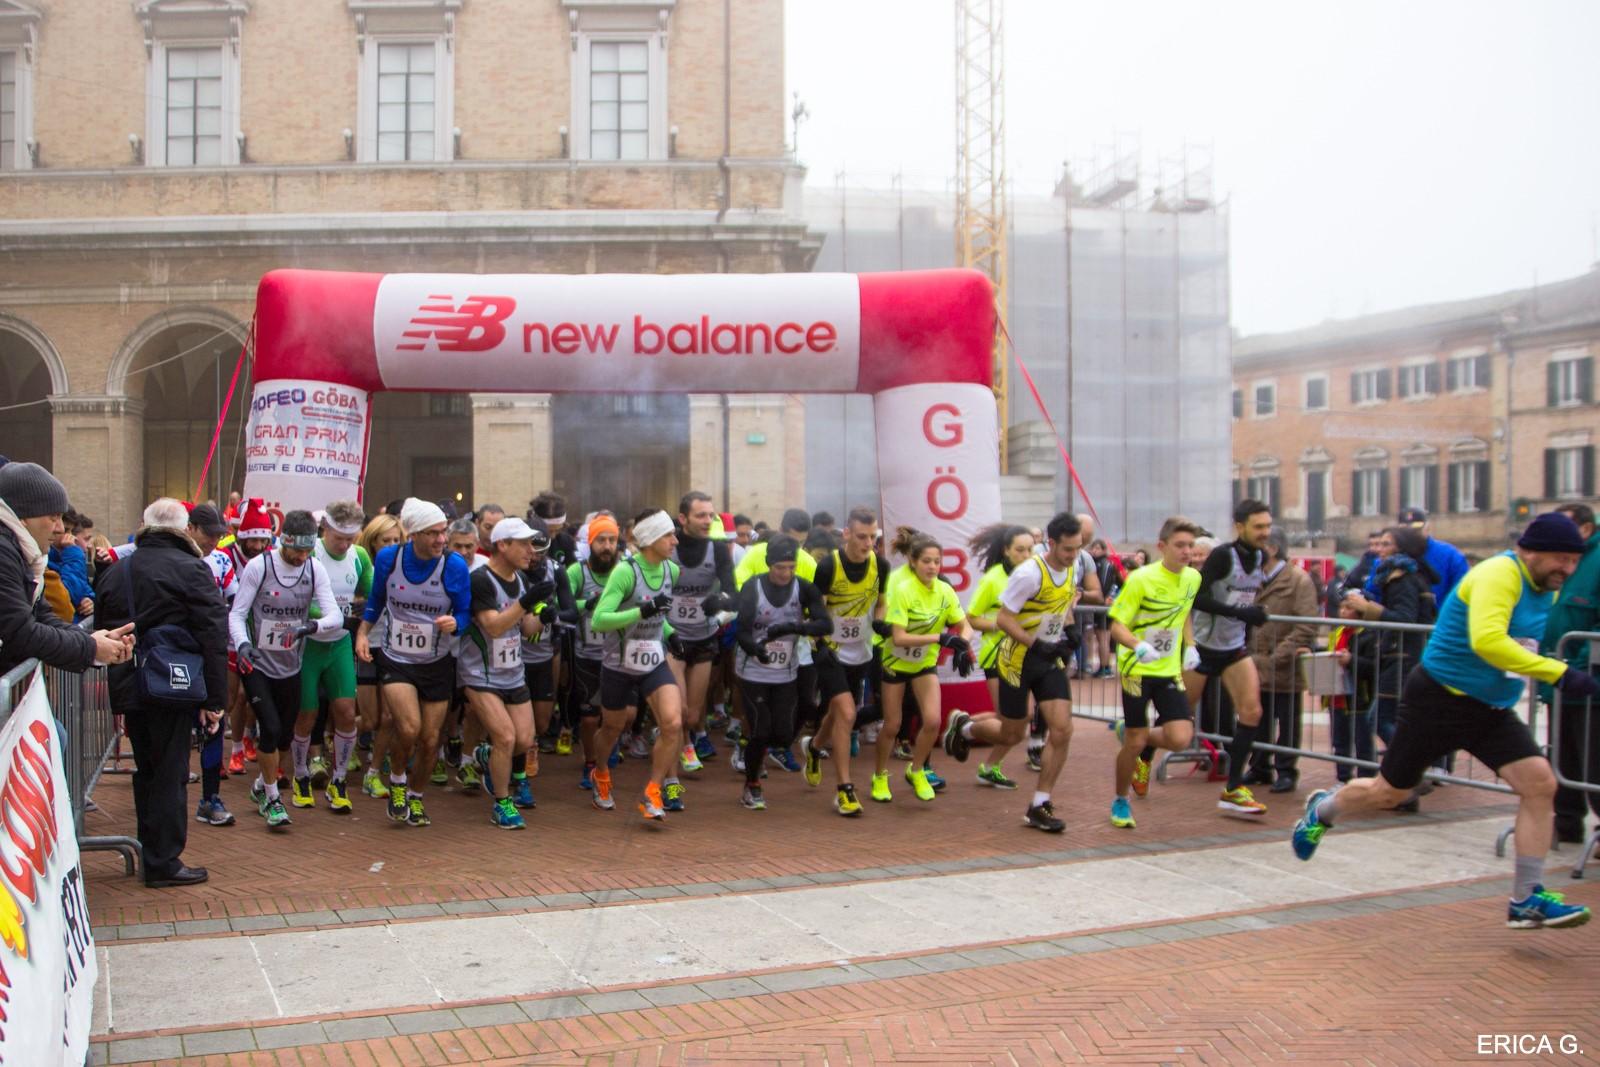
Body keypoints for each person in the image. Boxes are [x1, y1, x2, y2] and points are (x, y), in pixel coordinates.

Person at [1294, 512, 1600, 929]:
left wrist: (1553, 666)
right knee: (1390, 793)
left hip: (1490, 709)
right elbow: (1488, 641)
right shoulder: (1499, 574)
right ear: (1529, 551)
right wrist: (1560, 674)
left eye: (1573, 560)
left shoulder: (1544, 589)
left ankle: (1527, 898)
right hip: (1438, 699)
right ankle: (1324, 811)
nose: (1567, 568)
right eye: (1559, 559)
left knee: (1540, 783)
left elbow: (1523, 644)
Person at [96, 497, 226, 888]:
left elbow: (104, 627)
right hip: (174, 683)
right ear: (185, 529)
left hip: (130, 680)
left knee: (148, 768)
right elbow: (213, 635)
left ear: (144, 525)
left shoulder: (119, 571)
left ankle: (152, 848)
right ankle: (163, 860)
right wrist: (215, 700)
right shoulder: (192, 569)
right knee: (170, 770)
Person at [944, 513, 1079, 832]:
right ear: (1052, 543)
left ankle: (1040, 803)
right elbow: (1004, 619)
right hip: (1016, 661)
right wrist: (1035, 643)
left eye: (1077, 549)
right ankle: (965, 728)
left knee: (1062, 730)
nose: (1073, 555)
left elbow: (1063, 607)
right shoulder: (1029, 574)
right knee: (1012, 733)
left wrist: (1071, 632)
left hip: (1048, 662)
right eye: (1067, 549)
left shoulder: (1070, 567)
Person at [356, 498, 473, 827]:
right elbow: (377, 600)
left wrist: (456, 624)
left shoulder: (453, 566)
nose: (441, 540)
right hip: (396, 658)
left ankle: (417, 797)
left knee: (430, 739)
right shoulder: (389, 559)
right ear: (414, 535)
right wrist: (363, 633)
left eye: (443, 532)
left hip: (436, 661)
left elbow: (465, 612)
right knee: (408, 727)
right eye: (433, 533)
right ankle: (396, 781)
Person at [230, 510, 343, 830]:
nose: (301, 556)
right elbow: (237, 614)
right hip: (257, 663)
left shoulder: (313, 568)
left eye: (308, 550)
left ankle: (261, 786)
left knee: (285, 735)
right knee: (268, 726)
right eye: (297, 550)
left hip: (291, 664)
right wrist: (242, 645)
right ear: (284, 541)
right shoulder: (260, 566)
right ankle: (272, 798)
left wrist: (311, 626)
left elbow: (334, 615)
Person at [1103, 517, 1203, 828]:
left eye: (1191, 546)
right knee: (1134, 742)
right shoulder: (1140, 579)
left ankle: (1136, 734)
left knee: (1180, 738)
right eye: (1180, 545)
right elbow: (1116, 625)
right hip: (1137, 668)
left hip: (1169, 670)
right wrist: (1137, 645)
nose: (1187, 552)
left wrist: (1190, 645)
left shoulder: (1192, 579)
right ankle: (1120, 799)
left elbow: (1183, 613)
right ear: (1162, 547)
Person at [589, 509, 687, 820]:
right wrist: (641, 613)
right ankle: (600, 771)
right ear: (649, 540)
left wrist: (670, 635)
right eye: (668, 535)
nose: (674, 541)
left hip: (653, 660)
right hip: (618, 663)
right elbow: (600, 620)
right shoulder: (625, 572)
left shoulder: (672, 570)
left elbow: (661, 614)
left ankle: (653, 791)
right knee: (613, 727)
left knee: (673, 723)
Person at [1184, 498, 1274, 817]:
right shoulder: (1223, 556)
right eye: (1258, 526)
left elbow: (1246, 596)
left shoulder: (1261, 556)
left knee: (1252, 712)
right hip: (1204, 646)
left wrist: (1253, 614)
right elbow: (1198, 598)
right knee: (1178, 721)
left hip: (1234, 647)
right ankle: (1143, 754)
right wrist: (1239, 611)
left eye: (1267, 525)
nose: (1265, 532)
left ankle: (1233, 788)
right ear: (1240, 527)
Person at [872, 527, 975, 804]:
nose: (932, 566)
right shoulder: (903, 589)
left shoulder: (944, 590)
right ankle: (879, 776)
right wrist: (941, 638)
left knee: (932, 721)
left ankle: (916, 770)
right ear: (913, 562)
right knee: (893, 725)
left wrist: (962, 644)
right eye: (926, 561)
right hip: (896, 662)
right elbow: (899, 637)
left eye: (937, 561)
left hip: (923, 665)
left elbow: (965, 625)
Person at [0, 462, 133, 676]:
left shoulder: (19, 552)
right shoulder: (4, 552)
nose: (60, 528)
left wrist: (92, 640)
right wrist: (91, 648)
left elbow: (42, 615)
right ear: (22, 518)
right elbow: (20, 632)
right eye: (53, 517)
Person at [458, 517, 549, 829]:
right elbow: (494, 626)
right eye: (523, 544)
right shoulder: (481, 580)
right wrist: (526, 603)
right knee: (506, 737)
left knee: (524, 740)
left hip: (513, 673)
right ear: (502, 545)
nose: (530, 550)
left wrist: (545, 616)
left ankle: (485, 755)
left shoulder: (520, 580)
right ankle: (502, 803)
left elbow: (525, 629)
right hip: (480, 675)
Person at [731, 535, 832, 810]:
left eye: (791, 567)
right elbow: (740, 630)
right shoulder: (753, 588)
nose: (785, 573)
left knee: (783, 734)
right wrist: (754, 649)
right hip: (752, 671)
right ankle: (751, 785)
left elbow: (825, 625)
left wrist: (794, 628)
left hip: (786, 672)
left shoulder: (804, 588)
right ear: (768, 564)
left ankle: (751, 747)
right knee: (761, 730)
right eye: (779, 568)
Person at [801, 505, 888, 815]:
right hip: (829, 651)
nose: (868, 543)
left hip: (860, 651)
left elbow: (881, 603)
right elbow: (817, 610)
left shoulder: (881, 565)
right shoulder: (828, 567)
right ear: (847, 533)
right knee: (848, 713)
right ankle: (844, 790)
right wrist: (821, 642)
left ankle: (813, 747)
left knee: (839, 714)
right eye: (862, 536)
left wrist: (880, 623)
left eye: (873, 537)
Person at [291, 501, 371, 814]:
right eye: (339, 538)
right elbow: (295, 598)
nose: (345, 544)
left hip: (339, 643)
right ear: (325, 529)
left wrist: (361, 618)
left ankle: (338, 781)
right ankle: (301, 775)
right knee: (307, 714)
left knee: (346, 711)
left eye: (351, 538)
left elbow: (370, 593)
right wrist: (331, 613)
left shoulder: (360, 556)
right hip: (309, 644)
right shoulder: (311, 554)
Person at [957, 523, 1035, 789]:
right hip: (996, 656)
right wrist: (1001, 625)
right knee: (1008, 722)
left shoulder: (1036, 576)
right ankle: (967, 730)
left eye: (1030, 550)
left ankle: (971, 735)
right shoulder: (993, 579)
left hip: (1025, 654)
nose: (1026, 556)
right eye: (1020, 550)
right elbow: (973, 618)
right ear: (1006, 551)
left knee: (1021, 720)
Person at [1241, 528, 1319, 794]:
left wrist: (1278, 656)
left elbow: (1306, 626)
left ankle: (1286, 770)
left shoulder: (1299, 580)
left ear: (1272, 548)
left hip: (1283, 665)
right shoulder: (1252, 579)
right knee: (1257, 718)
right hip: (1253, 663)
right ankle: (1259, 766)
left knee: (1287, 721)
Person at [668, 492, 737, 775]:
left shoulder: (718, 549)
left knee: (695, 714)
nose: (708, 520)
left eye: (711, 515)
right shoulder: (667, 547)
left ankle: (685, 738)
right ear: (683, 519)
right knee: (680, 712)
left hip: (704, 637)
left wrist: (719, 601)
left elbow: (734, 594)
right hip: (672, 637)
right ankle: (680, 750)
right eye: (701, 515)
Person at [1543, 503, 1599, 844]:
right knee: (1562, 756)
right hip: (1558, 676)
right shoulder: (1558, 560)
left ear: (1586, 528)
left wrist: (1574, 667)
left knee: (1594, 759)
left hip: (1587, 679)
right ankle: (1566, 824)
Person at [567, 515, 621, 791]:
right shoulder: (577, 572)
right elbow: (560, 603)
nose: (607, 546)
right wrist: (586, 604)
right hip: (586, 654)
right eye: (601, 540)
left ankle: (609, 746)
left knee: (622, 715)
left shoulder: (624, 570)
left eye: (612, 540)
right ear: (591, 542)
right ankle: (590, 762)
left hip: (619, 657)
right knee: (589, 718)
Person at [1397, 507, 1470, 605]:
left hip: (1439, 617)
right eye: (1405, 531)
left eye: (1415, 531)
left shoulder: (1449, 555)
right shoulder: (1389, 554)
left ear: (1426, 528)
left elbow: (1462, 590)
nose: (1411, 535)